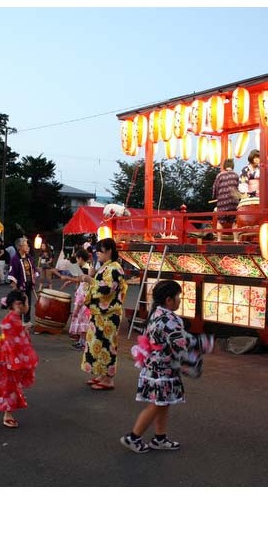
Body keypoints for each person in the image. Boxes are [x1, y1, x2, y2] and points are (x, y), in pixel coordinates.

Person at [120, 280, 214, 453]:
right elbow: (182, 342)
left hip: (155, 366)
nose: (179, 300)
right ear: (169, 300)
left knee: (163, 403)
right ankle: (133, 437)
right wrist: (205, 343)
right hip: (162, 369)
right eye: (178, 297)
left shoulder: (155, 313)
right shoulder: (170, 320)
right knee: (157, 405)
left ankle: (160, 438)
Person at [0, 290, 39, 431]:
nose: (28, 306)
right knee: (6, 387)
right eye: (26, 303)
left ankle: (7, 414)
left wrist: (23, 328)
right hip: (8, 359)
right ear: (18, 304)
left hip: (7, 357)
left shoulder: (14, 319)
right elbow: (11, 334)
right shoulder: (12, 318)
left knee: (10, 386)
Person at [77, 237, 128, 390]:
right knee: (98, 344)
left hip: (109, 314)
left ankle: (108, 379)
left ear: (109, 251)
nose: (97, 253)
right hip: (101, 313)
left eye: (101, 250)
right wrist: (91, 277)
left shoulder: (114, 268)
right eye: (97, 250)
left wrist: (90, 279)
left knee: (107, 345)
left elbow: (106, 289)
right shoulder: (106, 266)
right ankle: (102, 374)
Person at [63, 247, 92, 351]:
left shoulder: (86, 269)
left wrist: (68, 280)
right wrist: (70, 281)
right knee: (82, 322)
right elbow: (79, 279)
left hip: (84, 300)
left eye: (76, 258)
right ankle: (81, 341)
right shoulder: (85, 267)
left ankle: (83, 343)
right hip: (84, 299)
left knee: (83, 323)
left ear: (80, 258)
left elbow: (83, 285)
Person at [8, 236, 37, 325]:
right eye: (25, 245)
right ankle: (19, 321)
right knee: (20, 303)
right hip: (20, 284)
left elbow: (33, 269)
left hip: (29, 283)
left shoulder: (29, 258)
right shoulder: (15, 259)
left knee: (28, 302)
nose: (27, 247)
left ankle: (27, 320)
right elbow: (12, 273)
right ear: (19, 247)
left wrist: (34, 277)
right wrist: (14, 286)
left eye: (27, 245)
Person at [212, 159, 241, 241]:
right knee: (234, 220)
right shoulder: (236, 175)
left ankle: (219, 239)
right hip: (234, 201)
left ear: (224, 166)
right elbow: (237, 188)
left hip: (222, 200)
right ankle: (235, 239)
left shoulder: (220, 175)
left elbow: (215, 188)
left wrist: (215, 196)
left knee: (220, 220)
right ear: (232, 166)